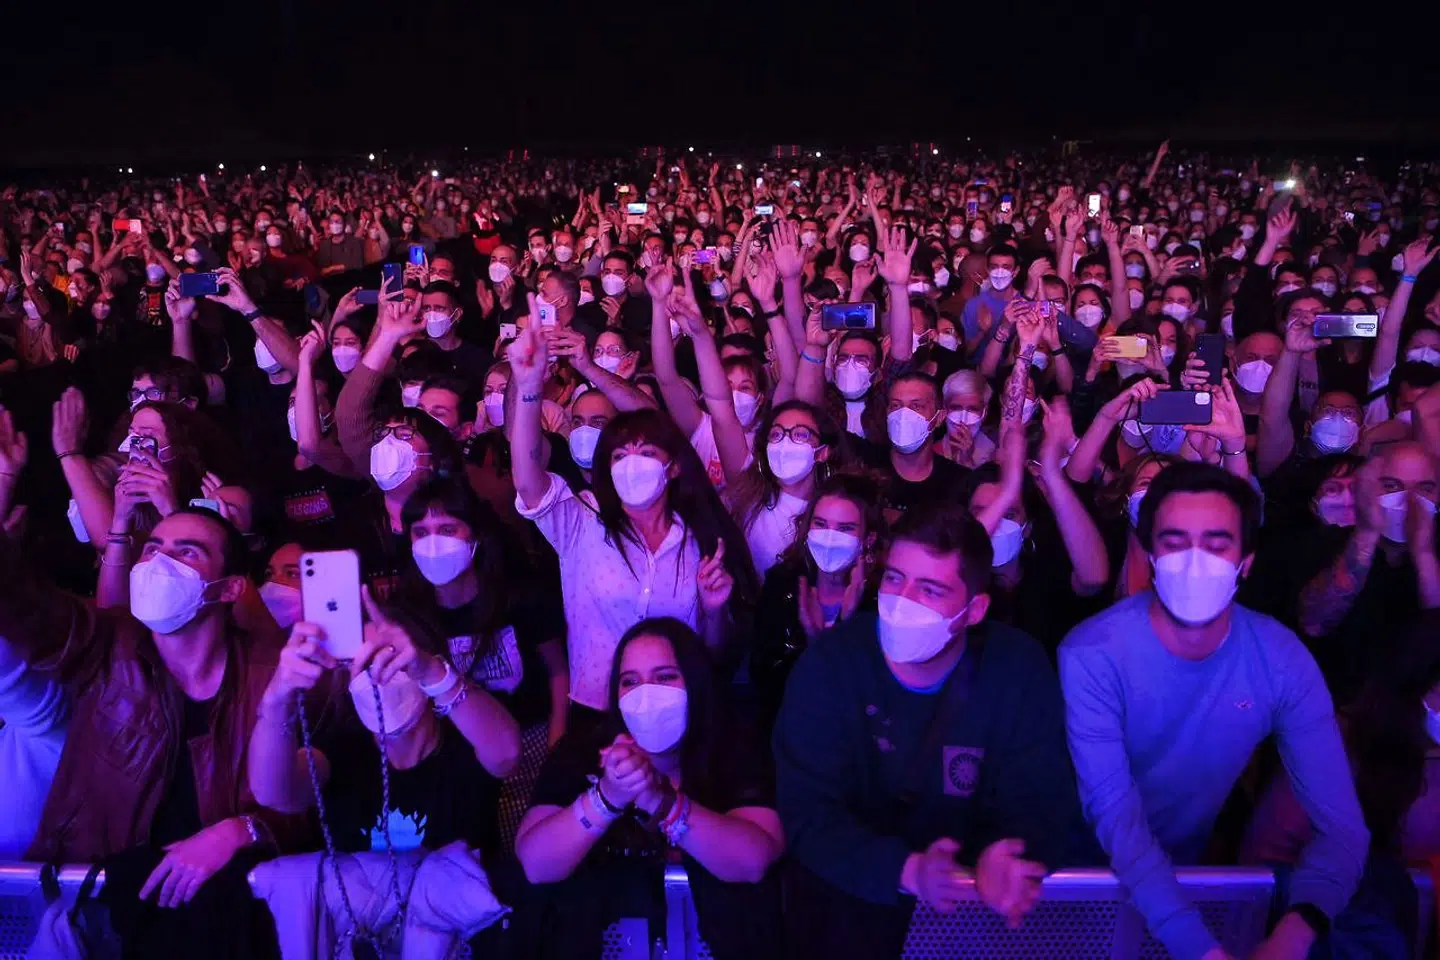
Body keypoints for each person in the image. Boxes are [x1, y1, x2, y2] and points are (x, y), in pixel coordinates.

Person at [1060, 462, 1369, 960]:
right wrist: (1202, 951)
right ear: (1150, 553)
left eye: (1217, 543)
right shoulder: (1092, 653)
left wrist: (1295, 934)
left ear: (1246, 561)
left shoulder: (1282, 660)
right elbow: (1119, 821)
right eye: (1175, 541)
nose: (1195, 560)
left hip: (1188, 880)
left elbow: (1343, 829)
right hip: (1073, 882)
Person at [775, 502, 1078, 957]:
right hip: (845, 916)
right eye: (895, 579)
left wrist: (1008, 852)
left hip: (973, 918)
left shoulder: (1018, 669)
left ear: (974, 610)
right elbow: (806, 811)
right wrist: (907, 870)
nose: (903, 602)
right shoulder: (831, 665)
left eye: (931, 589)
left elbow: (1044, 798)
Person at [0, 505, 304, 958]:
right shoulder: (107, 646)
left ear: (230, 587)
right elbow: (29, 608)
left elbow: (319, 792)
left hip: (228, 923)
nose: (160, 564)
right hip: (100, 902)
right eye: (153, 549)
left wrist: (241, 830)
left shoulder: (271, 675)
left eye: (187, 553)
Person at [509, 304, 756, 731]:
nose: (632, 463)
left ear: (673, 466)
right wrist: (530, 387)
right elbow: (529, 482)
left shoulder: (699, 538)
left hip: (683, 715)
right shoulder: (583, 521)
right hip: (597, 715)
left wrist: (715, 612)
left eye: (646, 453)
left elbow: (714, 654)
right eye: (620, 455)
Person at [515, 618, 784, 960]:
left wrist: (664, 804)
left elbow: (755, 861)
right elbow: (536, 865)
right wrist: (606, 799)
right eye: (630, 682)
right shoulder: (582, 749)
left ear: (696, 682)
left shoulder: (734, 743)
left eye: (665, 677)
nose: (646, 695)